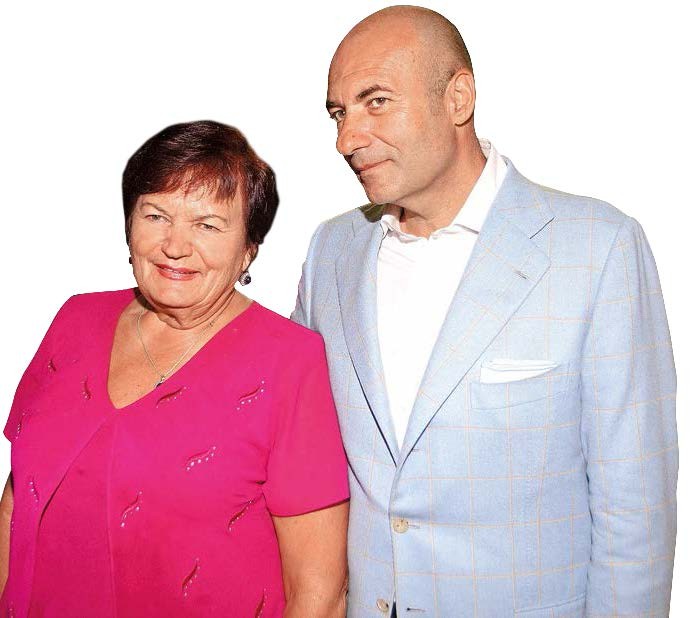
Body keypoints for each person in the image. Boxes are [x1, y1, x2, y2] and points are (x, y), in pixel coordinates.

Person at [292, 6, 677, 617]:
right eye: (339, 114)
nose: (347, 140)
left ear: (458, 98)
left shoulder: (597, 247)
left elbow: (636, 510)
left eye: (376, 102)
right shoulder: (331, 249)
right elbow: (302, 457)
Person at [0, 120, 349, 617]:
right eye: (156, 215)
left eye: (207, 225)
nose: (175, 246)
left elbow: (319, 591)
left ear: (249, 248)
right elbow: (19, 498)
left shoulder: (291, 361)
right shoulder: (76, 319)